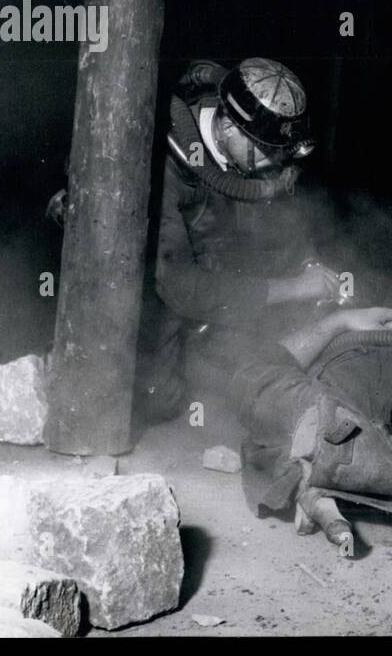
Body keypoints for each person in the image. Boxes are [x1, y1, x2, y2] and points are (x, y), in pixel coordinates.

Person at [136, 57, 345, 420]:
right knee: (160, 400)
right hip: (160, 290)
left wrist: (308, 263)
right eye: (268, 149)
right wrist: (295, 288)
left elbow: (284, 224)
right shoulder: (167, 167)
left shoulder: (253, 152)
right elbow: (179, 286)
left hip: (221, 277)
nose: (275, 163)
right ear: (228, 127)